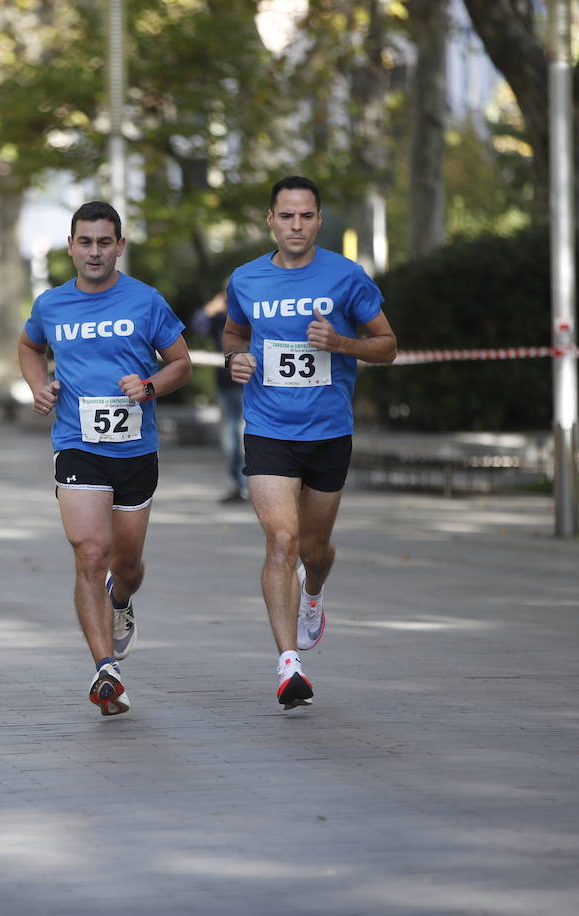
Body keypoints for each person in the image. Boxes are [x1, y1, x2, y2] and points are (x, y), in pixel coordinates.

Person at [221, 175, 397, 710]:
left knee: (313, 551)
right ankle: (287, 663)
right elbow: (232, 335)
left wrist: (340, 342)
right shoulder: (246, 280)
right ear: (270, 220)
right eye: (286, 216)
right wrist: (236, 359)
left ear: (318, 220)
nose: (296, 225)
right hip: (270, 429)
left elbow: (387, 346)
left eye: (306, 216)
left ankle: (313, 594)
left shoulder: (347, 277)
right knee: (281, 540)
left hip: (328, 432)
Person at [17, 201, 192, 717]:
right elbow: (29, 346)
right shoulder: (51, 304)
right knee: (90, 555)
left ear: (119, 246)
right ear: (70, 247)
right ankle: (104, 668)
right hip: (77, 444)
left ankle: (121, 600)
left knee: (126, 564)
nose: (94, 251)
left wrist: (151, 385)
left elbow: (180, 363)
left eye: (104, 242)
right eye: (85, 242)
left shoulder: (146, 301)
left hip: (135, 449)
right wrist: (37, 387)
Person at [191, 289, 249, 503]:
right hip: (227, 387)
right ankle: (240, 485)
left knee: (246, 438)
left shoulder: (251, 313)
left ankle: (251, 485)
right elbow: (198, 326)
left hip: (250, 387)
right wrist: (211, 308)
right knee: (229, 440)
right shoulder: (220, 318)